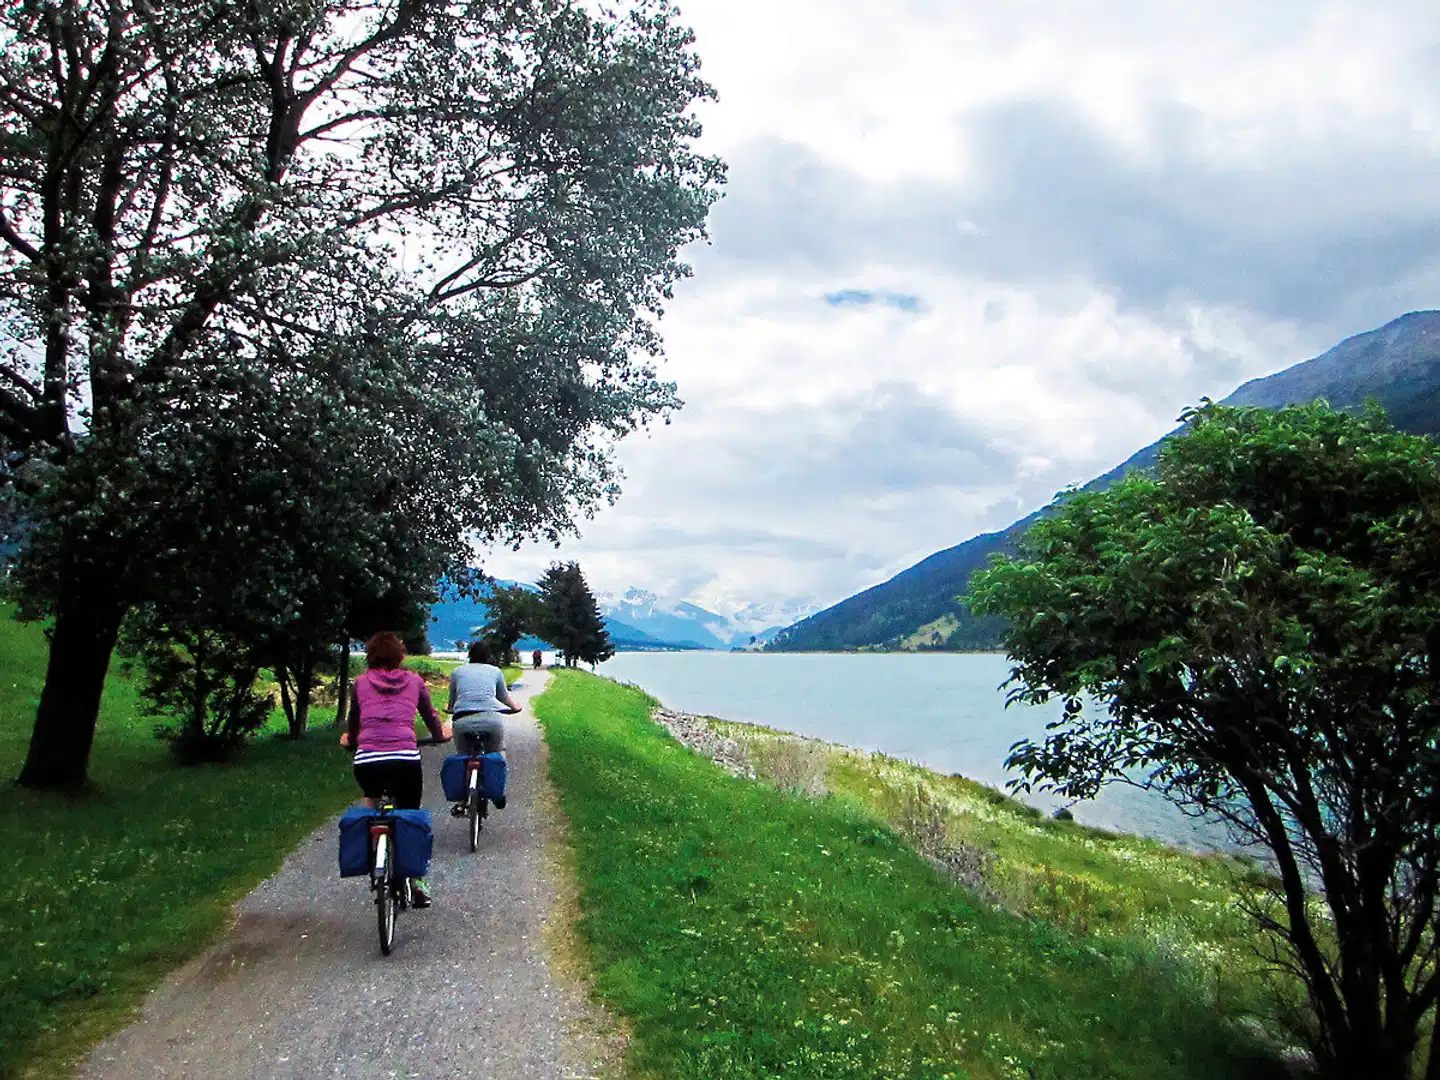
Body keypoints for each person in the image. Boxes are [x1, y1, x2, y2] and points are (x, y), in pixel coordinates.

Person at [340, 631, 447, 908]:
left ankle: (372, 852)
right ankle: (417, 881)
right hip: (404, 760)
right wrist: (440, 736)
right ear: (400, 655)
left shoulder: (361, 683)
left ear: (371, 656)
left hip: (367, 760)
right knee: (409, 812)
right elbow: (431, 716)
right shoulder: (414, 681)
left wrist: (351, 741)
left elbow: (355, 720)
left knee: (371, 796)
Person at [447, 640, 519, 816]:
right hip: (491, 720)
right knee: (497, 752)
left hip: (462, 720)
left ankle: (462, 800)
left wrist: (450, 709)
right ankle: (497, 792)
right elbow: (504, 697)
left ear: (469, 655)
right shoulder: (495, 671)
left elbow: (452, 702)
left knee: (463, 756)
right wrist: (515, 707)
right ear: (489, 656)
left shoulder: (457, 672)